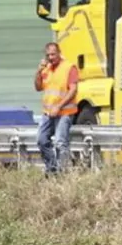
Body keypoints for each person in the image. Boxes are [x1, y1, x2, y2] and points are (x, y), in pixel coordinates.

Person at [34, 42, 78, 175]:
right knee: (41, 140)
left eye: (53, 54)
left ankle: (62, 172)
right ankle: (52, 168)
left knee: (60, 142)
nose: (51, 57)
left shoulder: (69, 67)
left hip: (64, 112)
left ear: (59, 53)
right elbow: (38, 87)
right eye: (48, 55)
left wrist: (59, 106)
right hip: (48, 113)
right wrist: (38, 71)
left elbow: (73, 90)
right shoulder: (46, 68)